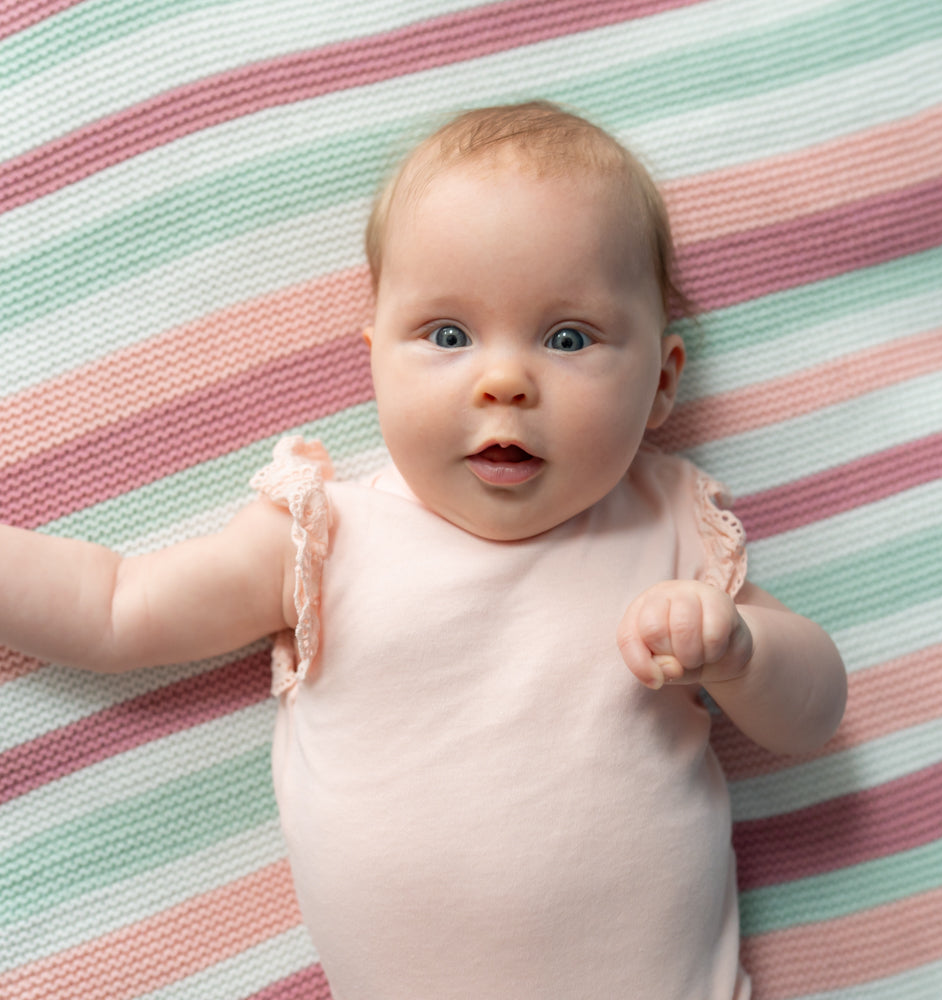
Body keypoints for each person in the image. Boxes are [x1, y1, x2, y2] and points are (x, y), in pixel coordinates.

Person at [0, 102, 846, 999]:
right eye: (448, 336)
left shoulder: (670, 524)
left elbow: (814, 713)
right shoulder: (325, 537)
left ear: (663, 380)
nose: (504, 380)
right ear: (374, 361)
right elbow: (116, 606)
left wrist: (744, 650)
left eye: (568, 338)